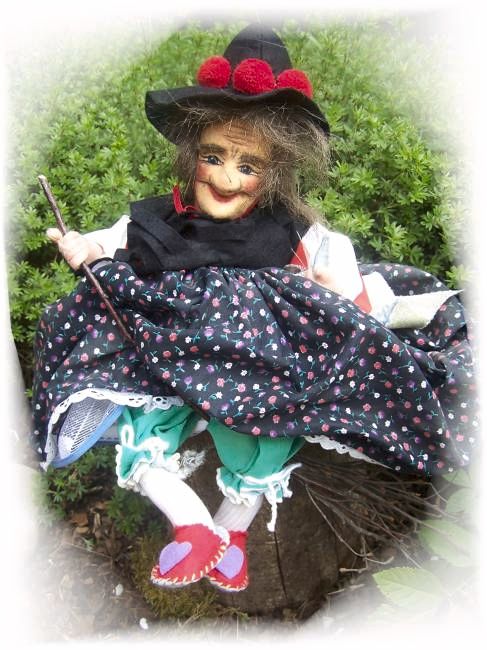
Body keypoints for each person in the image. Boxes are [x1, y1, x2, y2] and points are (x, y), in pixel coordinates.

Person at [32, 25, 475, 592]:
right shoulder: (161, 221)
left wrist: (338, 290)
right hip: (169, 357)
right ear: (193, 154)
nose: (224, 177)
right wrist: (86, 247)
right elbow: (114, 239)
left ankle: (232, 532)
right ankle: (192, 525)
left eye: (247, 166)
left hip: (251, 370)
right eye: (213, 156)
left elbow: (337, 270)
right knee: (145, 428)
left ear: (275, 173)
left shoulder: (289, 232)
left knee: (258, 437)